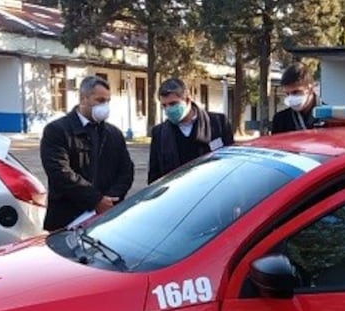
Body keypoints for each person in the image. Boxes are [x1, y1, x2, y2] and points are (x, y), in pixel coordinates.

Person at [41, 75, 134, 231]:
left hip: (106, 217)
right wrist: (96, 200)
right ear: (83, 99)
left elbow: (126, 170)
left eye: (107, 101)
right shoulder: (57, 130)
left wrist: (110, 201)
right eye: (100, 100)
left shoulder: (113, 133)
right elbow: (60, 172)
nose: (105, 106)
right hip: (67, 219)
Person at [148, 77, 234, 183]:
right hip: (177, 194)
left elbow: (231, 165)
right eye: (164, 105)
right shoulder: (159, 133)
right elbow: (154, 177)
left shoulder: (218, 123)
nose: (168, 109)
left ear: (188, 100)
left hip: (213, 190)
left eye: (173, 104)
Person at [271, 63, 324, 134]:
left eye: (296, 92)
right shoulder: (280, 120)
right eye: (287, 94)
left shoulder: (330, 118)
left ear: (310, 88)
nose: (291, 97)